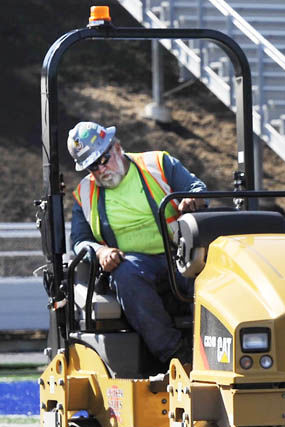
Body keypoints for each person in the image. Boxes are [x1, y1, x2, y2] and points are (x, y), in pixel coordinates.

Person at [67, 121, 205, 364]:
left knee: (210, 276)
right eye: (91, 167)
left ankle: (209, 350)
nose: (100, 170)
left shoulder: (159, 164)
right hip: (134, 264)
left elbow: (196, 188)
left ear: (117, 148)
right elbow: (79, 241)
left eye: (103, 159)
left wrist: (193, 198)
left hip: (181, 254)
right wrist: (100, 252)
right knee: (125, 275)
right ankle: (176, 354)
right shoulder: (84, 194)